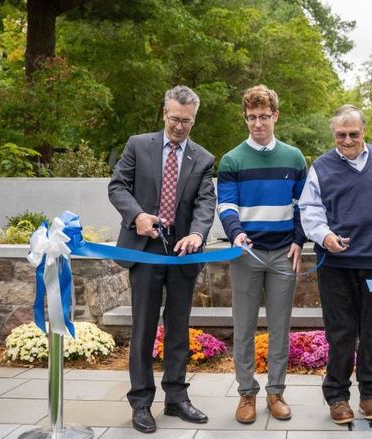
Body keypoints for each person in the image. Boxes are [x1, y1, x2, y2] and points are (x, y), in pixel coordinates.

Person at [108, 85, 216, 433]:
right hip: (145, 250)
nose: (179, 126)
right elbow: (117, 187)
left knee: (178, 328)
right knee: (143, 329)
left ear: (193, 119)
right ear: (164, 112)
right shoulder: (138, 145)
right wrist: (137, 215)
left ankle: (176, 398)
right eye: (174, 119)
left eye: (186, 121)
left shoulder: (203, 158)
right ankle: (141, 402)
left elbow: (205, 203)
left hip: (183, 254)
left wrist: (198, 234)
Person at [299, 104, 372, 425]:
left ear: (364, 132)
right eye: (340, 135)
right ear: (334, 134)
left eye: (353, 134)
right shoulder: (321, 166)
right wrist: (324, 236)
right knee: (341, 333)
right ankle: (337, 396)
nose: (347, 140)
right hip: (336, 265)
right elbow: (309, 210)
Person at [217, 85, 306, 424]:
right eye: (251, 117)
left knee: (281, 327)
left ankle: (276, 392)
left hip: (285, 254)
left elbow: (303, 205)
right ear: (245, 118)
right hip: (246, 255)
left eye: (264, 117)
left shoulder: (294, 157)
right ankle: (246, 395)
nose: (258, 123)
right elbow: (226, 204)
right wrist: (236, 232)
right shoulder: (232, 159)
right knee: (243, 327)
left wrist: (299, 239)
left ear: (275, 116)